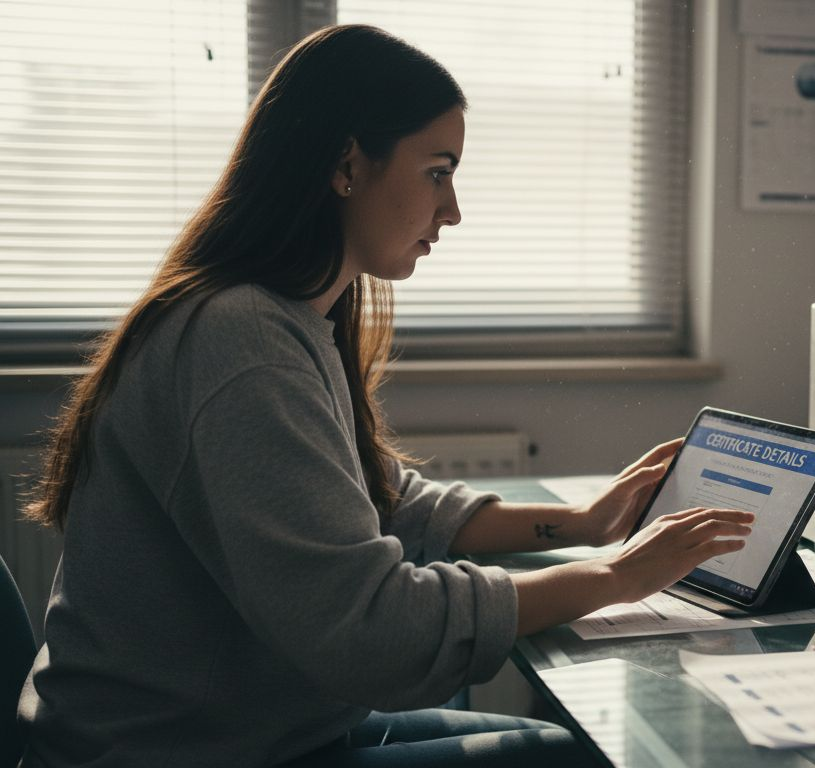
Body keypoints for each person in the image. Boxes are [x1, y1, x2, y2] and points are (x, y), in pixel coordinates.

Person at [16, 25, 753, 768]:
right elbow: (368, 627)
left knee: (557, 744)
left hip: (251, 732)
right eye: (438, 171)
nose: (454, 208)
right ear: (346, 164)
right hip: (165, 755)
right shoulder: (238, 339)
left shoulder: (284, 319)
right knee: (562, 756)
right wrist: (617, 577)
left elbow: (374, 499)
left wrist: (582, 523)